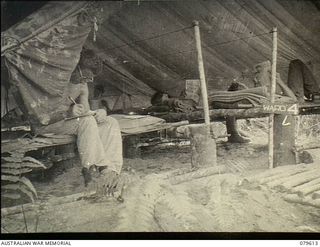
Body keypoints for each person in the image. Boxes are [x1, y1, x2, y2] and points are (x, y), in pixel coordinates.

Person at [35, 49, 123, 193]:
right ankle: (91, 169)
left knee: (110, 122)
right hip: (48, 124)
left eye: (90, 79)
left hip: (67, 122)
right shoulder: (56, 81)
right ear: (76, 67)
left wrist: (100, 113)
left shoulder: (82, 85)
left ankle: (111, 172)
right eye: (85, 77)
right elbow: (40, 114)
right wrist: (68, 112)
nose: (87, 81)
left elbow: (85, 111)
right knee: (87, 122)